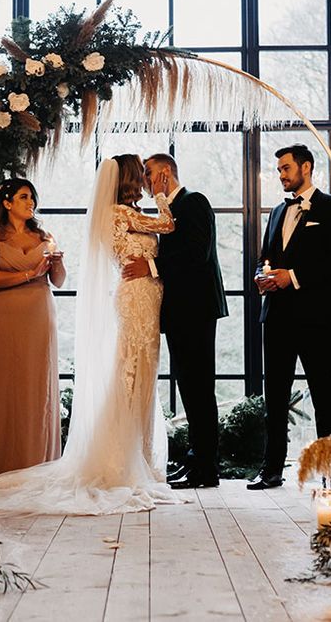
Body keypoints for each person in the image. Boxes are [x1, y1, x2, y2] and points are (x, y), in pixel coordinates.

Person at [0, 154, 186, 515]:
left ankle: (136, 452)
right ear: (130, 179)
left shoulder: (117, 214)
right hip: (137, 297)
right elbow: (168, 225)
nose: (147, 180)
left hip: (145, 296)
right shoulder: (121, 213)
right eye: (143, 176)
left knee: (138, 371)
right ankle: (124, 456)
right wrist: (161, 193)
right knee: (133, 372)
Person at [249, 144, 331, 490]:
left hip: (316, 318)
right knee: (275, 397)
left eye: (286, 168)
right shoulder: (278, 211)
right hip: (276, 316)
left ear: (306, 167)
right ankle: (272, 469)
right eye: (279, 169)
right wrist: (261, 277)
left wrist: (291, 276)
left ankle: (330, 470)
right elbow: (265, 256)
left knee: (323, 395)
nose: (281, 175)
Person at [123, 153, 228, 490]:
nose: (144, 181)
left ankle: (207, 469)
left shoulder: (194, 202)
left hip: (197, 309)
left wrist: (151, 268)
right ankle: (196, 460)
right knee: (189, 386)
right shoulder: (166, 212)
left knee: (199, 387)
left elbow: (198, 253)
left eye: (149, 174)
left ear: (165, 173)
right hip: (180, 312)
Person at [0, 179, 66, 477]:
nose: (31, 203)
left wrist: (57, 264)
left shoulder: (44, 236)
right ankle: (3, 461)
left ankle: (38, 459)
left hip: (40, 311)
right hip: (5, 313)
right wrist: (29, 273)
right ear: (7, 203)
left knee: (38, 380)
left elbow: (59, 281)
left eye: (32, 198)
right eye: (24, 197)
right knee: (6, 381)